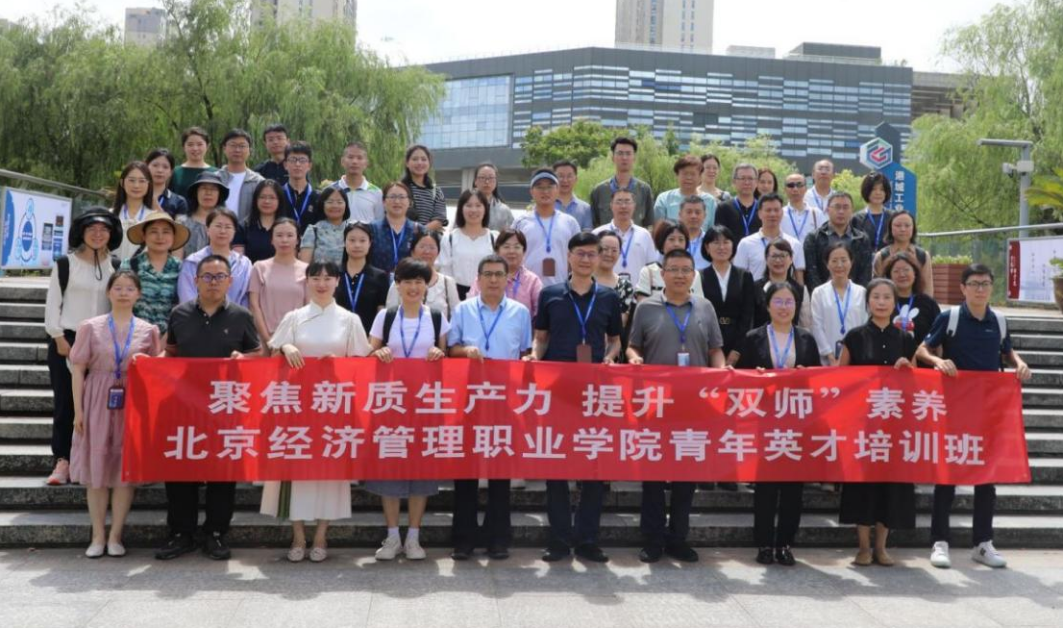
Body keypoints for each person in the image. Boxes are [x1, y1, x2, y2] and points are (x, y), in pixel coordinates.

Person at [916, 264, 1032, 570]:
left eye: (985, 283)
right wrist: (938, 361)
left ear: (991, 287)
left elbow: (1007, 351)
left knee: (986, 478)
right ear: (963, 288)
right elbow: (922, 350)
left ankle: (983, 543)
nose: (980, 289)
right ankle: (940, 541)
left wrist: (1019, 363)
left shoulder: (999, 320)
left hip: (989, 411)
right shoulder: (951, 317)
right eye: (974, 284)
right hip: (954, 409)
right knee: (947, 475)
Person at [261, 260, 370, 563]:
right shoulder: (294, 317)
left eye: (328, 278)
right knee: (294, 470)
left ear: (337, 282)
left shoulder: (349, 319)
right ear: (306, 282)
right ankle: (298, 535)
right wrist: (286, 348)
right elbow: (273, 355)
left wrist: (339, 364)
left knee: (329, 472)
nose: (322, 284)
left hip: (332, 406)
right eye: (315, 278)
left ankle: (321, 535)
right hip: (296, 407)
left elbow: (361, 363)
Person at [155, 255, 261, 562]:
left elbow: (257, 355)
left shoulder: (241, 315)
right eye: (207, 277)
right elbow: (170, 354)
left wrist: (243, 359)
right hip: (184, 405)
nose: (213, 282)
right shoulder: (179, 314)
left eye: (219, 277)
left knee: (222, 472)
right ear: (196, 280)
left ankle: (215, 532)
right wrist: (148, 364)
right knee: (180, 469)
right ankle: (181, 532)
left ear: (230, 281)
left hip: (225, 405)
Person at [628, 249, 725, 564]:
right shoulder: (646, 308)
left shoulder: (705, 307)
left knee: (686, 476)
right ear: (662, 274)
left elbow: (715, 349)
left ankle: (678, 537)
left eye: (686, 270)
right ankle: (653, 539)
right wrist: (634, 359)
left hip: (695, 405)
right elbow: (633, 346)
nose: (680, 275)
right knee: (653, 475)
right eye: (674, 269)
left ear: (694, 274)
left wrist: (721, 371)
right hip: (655, 404)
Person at [531, 232, 624, 564]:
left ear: (599, 258)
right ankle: (558, 539)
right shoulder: (551, 294)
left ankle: (587, 539)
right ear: (568, 256)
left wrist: (610, 357)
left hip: (595, 392)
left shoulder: (609, 297)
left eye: (591, 254)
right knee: (556, 467)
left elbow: (615, 340)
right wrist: (534, 355)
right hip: (557, 391)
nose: (586, 259)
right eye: (580, 254)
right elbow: (541, 337)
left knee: (593, 468)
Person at [70, 271, 162, 558]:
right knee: (96, 471)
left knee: (125, 470)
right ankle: (97, 535)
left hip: (132, 401)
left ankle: (116, 535)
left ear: (139, 294)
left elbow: (157, 370)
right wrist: (78, 410)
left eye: (130, 288)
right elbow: (78, 369)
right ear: (108, 292)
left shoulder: (148, 330)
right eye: (118, 287)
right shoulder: (90, 326)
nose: (123, 293)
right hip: (97, 396)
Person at [729, 282, 821, 567]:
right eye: (778, 302)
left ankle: (785, 543)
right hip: (764, 423)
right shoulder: (753, 337)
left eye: (789, 302)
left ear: (796, 306)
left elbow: (818, 379)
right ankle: (764, 544)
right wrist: (754, 376)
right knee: (766, 488)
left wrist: (805, 374)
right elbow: (739, 378)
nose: (783, 307)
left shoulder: (806, 339)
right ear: (768, 306)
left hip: (796, 424)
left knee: (793, 489)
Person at [448, 255, 533, 561]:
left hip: (505, 400)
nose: (494, 280)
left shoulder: (520, 312)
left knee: (500, 472)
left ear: (507, 279)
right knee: (466, 472)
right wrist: (465, 351)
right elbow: (451, 349)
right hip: (469, 398)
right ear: (479, 278)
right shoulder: (463, 309)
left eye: (499, 274)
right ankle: (463, 539)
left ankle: (498, 538)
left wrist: (529, 360)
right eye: (488, 274)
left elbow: (525, 351)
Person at [367, 258, 451, 562]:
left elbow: (446, 356)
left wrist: (440, 352)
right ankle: (392, 536)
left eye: (419, 282)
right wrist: (379, 352)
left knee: (422, 471)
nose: (413, 287)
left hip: (425, 405)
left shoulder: (437, 317)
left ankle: (413, 537)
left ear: (426, 286)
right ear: (398, 285)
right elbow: (368, 353)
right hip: (391, 404)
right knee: (389, 468)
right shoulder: (386, 316)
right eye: (407, 282)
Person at [838, 278, 918, 568]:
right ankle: (862, 547)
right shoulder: (855, 337)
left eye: (887, 297)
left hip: (894, 424)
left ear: (895, 303)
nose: (881, 302)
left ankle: (881, 547)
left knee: (890, 486)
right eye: (876, 297)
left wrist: (907, 369)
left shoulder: (906, 339)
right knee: (862, 486)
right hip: (863, 424)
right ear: (868, 302)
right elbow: (840, 378)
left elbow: (917, 383)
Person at [44, 209, 123, 486]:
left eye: (104, 229)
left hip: (103, 343)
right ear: (81, 232)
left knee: (99, 406)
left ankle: (93, 461)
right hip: (67, 339)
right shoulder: (66, 264)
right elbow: (53, 304)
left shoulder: (116, 266)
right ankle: (62, 460)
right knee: (66, 402)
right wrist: (58, 338)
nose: (98, 234)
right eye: (92, 229)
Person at [512, 169, 582, 288]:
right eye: (540, 187)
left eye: (550, 187)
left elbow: (577, 257)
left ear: (557, 190)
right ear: (531, 191)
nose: (545, 191)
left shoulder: (570, 222)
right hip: (526, 289)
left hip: (560, 288)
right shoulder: (520, 222)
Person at [122, 212, 189, 334]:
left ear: (173, 237)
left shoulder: (182, 268)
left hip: (171, 338)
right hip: (134, 336)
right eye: (153, 232)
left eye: (166, 232)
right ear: (144, 236)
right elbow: (119, 303)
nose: (160, 237)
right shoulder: (130, 265)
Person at [177, 209, 253, 308]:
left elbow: (246, 298)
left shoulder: (244, 264)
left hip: (236, 316)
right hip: (198, 316)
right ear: (207, 229)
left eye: (228, 227)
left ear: (234, 231)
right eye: (218, 226)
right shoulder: (193, 261)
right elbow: (187, 296)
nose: (222, 231)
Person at [249, 218, 308, 343]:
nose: (284, 240)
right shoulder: (259, 267)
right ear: (271, 239)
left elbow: (308, 307)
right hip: (264, 339)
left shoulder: (307, 270)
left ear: (298, 240)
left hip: (296, 340)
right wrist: (268, 340)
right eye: (279, 235)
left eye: (290, 235)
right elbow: (254, 305)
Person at [700, 226, 755, 358]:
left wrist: (737, 350)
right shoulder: (700, 276)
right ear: (707, 247)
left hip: (739, 340)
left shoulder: (744, 276)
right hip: (709, 341)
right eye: (716, 243)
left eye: (726, 242)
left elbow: (748, 315)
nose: (721, 247)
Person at [810, 243, 868, 366]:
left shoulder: (861, 292)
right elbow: (816, 326)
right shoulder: (819, 293)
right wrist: (830, 356)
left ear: (851, 262)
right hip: (827, 360)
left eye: (844, 260)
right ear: (827, 264)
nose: (839, 265)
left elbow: (865, 325)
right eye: (834, 261)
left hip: (856, 358)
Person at [803, 192, 873, 290]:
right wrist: (819, 294)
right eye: (837, 207)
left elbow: (865, 273)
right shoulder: (814, 238)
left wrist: (859, 294)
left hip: (854, 294)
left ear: (852, 211)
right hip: (823, 294)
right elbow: (811, 273)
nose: (841, 211)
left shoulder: (861, 239)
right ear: (827, 210)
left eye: (845, 207)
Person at [469, 229, 543, 319]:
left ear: (524, 252)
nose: (512, 251)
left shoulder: (532, 281)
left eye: (517, 247)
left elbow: (540, 314)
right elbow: (472, 307)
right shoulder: (484, 277)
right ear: (497, 251)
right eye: (506, 247)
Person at [438, 189, 498, 300]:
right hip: (456, 295)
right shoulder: (450, 238)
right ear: (461, 209)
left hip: (487, 295)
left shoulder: (494, 238)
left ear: (485, 209)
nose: (473, 210)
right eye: (468, 205)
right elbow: (445, 273)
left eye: (478, 205)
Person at [386, 231, 461, 320]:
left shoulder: (447, 282)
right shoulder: (400, 281)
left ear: (438, 252)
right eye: (422, 247)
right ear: (412, 251)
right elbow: (390, 314)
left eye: (432, 247)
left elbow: (457, 316)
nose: (427, 251)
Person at [734, 193, 805, 284]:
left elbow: (799, 279)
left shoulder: (794, 244)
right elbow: (738, 278)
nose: (772, 214)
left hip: (785, 292)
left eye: (776, 210)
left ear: (782, 213)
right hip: (755, 292)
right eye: (768, 210)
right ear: (759, 214)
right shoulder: (746, 244)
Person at [336, 222, 390, 333]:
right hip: (336, 335)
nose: (357, 245)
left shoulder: (380, 277)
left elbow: (381, 311)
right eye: (352, 240)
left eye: (362, 241)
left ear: (370, 243)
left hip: (368, 337)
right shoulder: (333, 273)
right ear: (344, 242)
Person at [589, 137, 655, 228]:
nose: (624, 157)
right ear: (613, 158)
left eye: (628, 153)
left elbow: (649, 224)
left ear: (634, 158)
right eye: (620, 153)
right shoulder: (599, 191)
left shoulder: (644, 190)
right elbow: (594, 224)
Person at [593, 189, 657, 281]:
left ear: (634, 206)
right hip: (605, 288)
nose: (623, 206)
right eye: (619, 202)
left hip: (638, 289)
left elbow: (652, 267)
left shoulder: (644, 235)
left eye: (627, 202)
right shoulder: (597, 233)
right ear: (611, 205)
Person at [635, 222, 705, 301]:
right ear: (661, 242)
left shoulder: (694, 274)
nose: (676, 244)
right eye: (671, 239)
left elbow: (699, 304)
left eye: (681, 240)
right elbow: (643, 305)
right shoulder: (648, 272)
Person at [874, 211, 935, 299]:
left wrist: (927, 304)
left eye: (907, 225)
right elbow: (876, 286)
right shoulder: (882, 256)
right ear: (890, 228)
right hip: (889, 303)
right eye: (898, 225)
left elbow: (927, 287)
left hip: (916, 303)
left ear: (913, 228)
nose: (903, 229)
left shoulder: (922, 255)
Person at [884, 252, 940, 344]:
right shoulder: (883, 302)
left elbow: (938, 335)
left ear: (915, 273)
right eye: (896, 271)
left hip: (922, 353)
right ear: (889, 276)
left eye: (906, 270)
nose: (902, 274)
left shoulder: (928, 303)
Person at [754, 240, 811, 329]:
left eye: (782, 256)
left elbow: (804, 325)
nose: (778, 260)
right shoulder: (754, 288)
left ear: (791, 259)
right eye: (774, 256)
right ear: (766, 259)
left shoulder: (801, 290)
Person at [653, 155, 717, 230]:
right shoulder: (664, 199)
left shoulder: (710, 201)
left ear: (700, 177)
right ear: (677, 175)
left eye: (693, 174)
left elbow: (713, 231)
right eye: (685, 174)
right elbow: (658, 230)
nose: (689, 178)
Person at [111, 161, 158, 261]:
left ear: (149, 184)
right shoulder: (110, 215)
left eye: (142, 181)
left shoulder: (155, 218)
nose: (136, 185)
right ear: (122, 183)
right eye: (131, 180)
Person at [215, 129, 265, 221]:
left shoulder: (258, 182)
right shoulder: (215, 179)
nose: (237, 150)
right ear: (224, 149)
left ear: (249, 150)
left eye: (242, 146)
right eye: (233, 145)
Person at [236, 180, 291, 264]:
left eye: (272, 198)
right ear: (255, 199)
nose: (267, 201)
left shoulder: (288, 227)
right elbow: (239, 261)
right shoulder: (243, 226)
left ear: (280, 200)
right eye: (262, 197)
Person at [329, 141, 385, 224]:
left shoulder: (377, 193)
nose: (354, 161)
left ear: (366, 163)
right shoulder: (330, 190)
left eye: (359, 158)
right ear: (342, 161)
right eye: (350, 157)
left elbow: (380, 224)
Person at [178, 171, 228, 257]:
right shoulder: (182, 222)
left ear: (219, 194)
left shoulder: (227, 223)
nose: (208, 193)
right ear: (196, 193)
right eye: (203, 188)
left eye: (213, 189)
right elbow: (177, 257)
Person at [594, 232, 636, 329]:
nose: (609, 254)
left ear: (619, 253)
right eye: (605, 249)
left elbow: (621, 323)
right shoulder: (583, 279)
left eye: (614, 250)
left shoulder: (625, 286)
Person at [298, 187, 350, 264]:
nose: (335, 206)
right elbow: (304, 265)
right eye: (330, 202)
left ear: (346, 205)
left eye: (339, 202)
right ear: (322, 205)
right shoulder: (313, 231)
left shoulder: (352, 230)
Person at [402, 144, 448, 231]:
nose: (419, 163)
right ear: (407, 163)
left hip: (427, 239)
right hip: (401, 238)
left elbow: (439, 220)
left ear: (429, 163)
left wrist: (418, 232)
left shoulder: (436, 192)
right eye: (415, 159)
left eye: (424, 159)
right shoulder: (399, 189)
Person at [715, 163, 762, 244]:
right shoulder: (723, 208)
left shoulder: (763, 208)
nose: (747, 182)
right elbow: (719, 237)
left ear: (756, 182)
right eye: (742, 178)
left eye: (750, 178)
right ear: (734, 181)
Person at [280, 141, 319, 235]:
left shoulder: (318, 197)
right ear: (285, 164)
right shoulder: (277, 195)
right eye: (293, 160)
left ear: (309, 165)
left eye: (302, 160)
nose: (297, 164)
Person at [852, 172, 896, 254]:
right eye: (873, 189)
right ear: (867, 191)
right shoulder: (856, 219)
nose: (878, 193)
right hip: (864, 260)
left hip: (889, 259)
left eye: (882, 189)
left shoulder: (894, 217)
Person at [170, 127, 217, 199]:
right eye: (190, 144)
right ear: (183, 147)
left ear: (207, 146)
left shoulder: (216, 173)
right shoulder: (175, 172)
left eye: (199, 144)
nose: (195, 148)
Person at [781, 172, 824, 245]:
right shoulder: (779, 214)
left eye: (799, 185)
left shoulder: (816, 214)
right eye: (791, 185)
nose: (795, 189)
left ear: (806, 188)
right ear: (784, 189)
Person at [146, 148, 189, 218]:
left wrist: (154, 204)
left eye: (165, 167)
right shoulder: (136, 195)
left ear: (171, 172)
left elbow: (181, 225)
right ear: (146, 167)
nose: (160, 170)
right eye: (155, 165)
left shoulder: (179, 202)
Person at [473, 163, 515, 231]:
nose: (487, 182)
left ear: (496, 181)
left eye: (491, 178)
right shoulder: (466, 206)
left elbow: (511, 234)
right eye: (482, 177)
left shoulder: (504, 210)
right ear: (475, 181)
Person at [554, 160, 594, 230]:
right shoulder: (546, 205)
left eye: (569, 176)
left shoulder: (585, 208)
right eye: (560, 176)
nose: (565, 180)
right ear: (553, 179)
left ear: (576, 179)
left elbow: (587, 233)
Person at [677, 196, 712, 272]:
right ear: (680, 215)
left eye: (697, 212)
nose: (693, 216)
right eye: (689, 212)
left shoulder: (711, 241)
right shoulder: (672, 241)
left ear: (704, 216)